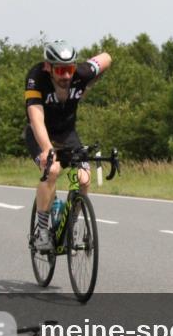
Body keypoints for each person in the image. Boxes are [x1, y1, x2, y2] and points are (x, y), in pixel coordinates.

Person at [24, 40, 112, 251]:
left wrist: (89, 83)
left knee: (84, 178)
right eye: (60, 70)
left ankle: (70, 224)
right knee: (52, 170)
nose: (66, 76)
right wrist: (47, 149)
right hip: (40, 133)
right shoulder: (36, 77)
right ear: (48, 67)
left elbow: (107, 58)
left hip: (67, 133)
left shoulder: (81, 74)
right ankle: (42, 232)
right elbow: (36, 118)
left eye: (69, 69)